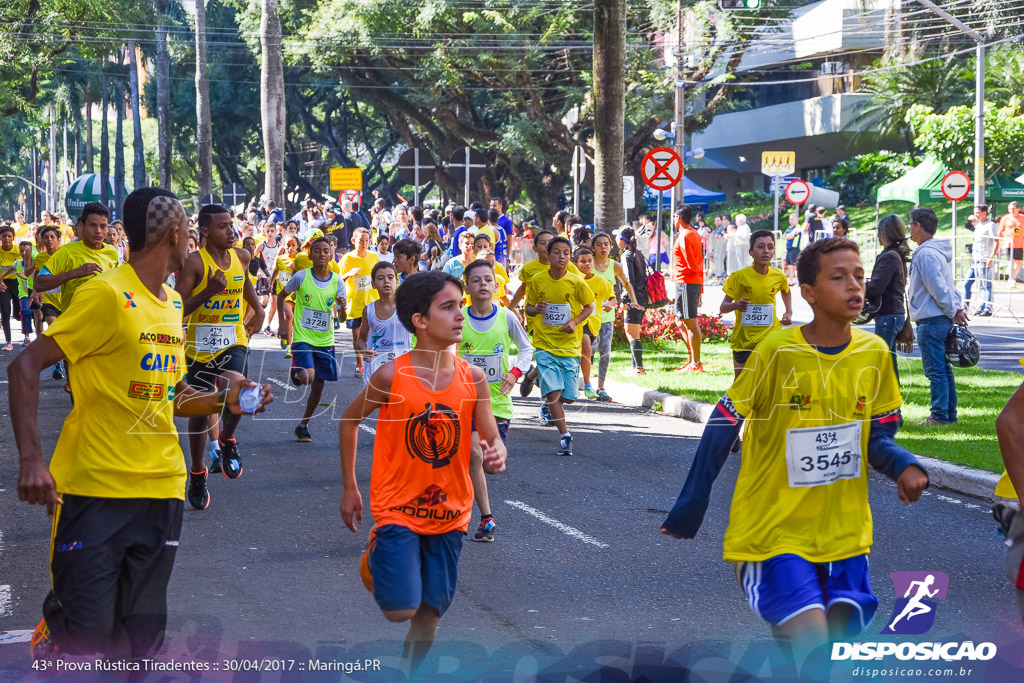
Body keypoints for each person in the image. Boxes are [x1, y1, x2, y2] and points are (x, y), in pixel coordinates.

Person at [10, 187, 272, 661]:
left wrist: (226, 397)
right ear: (175, 235)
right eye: (189, 231)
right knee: (88, 630)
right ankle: (59, 625)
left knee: (140, 641)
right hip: (95, 487)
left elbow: (171, 395)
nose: (191, 239)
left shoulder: (172, 304)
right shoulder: (106, 294)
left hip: (161, 488)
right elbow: (25, 366)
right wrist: (31, 460)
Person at [661, 237, 929, 676]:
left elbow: (876, 437)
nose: (854, 286)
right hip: (774, 533)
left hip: (844, 535)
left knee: (821, 655)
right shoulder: (777, 352)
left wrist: (903, 464)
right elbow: (723, 424)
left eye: (859, 276)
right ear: (808, 292)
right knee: (814, 647)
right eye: (838, 277)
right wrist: (691, 505)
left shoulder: (874, 354)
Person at [338, 271, 506, 679]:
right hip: (397, 507)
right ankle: (376, 557)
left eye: (459, 305)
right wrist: (350, 487)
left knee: (430, 612)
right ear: (420, 320)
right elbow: (349, 420)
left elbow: (489, 436)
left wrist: (496, 449)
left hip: (451, 511)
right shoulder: (391, 377)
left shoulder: (474, 379)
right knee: (400, 610)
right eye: (447, 307)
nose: (460, 314)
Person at [176, 204, 265, 510]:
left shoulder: (242, 256)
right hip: (200, 345)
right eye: (223, 227)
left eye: (231, 225)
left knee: (239, 389)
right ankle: (198, 471)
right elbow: (177, 309)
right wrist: (208, 291)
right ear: (204, 231)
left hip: (233, 339)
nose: (232, 231)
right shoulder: (193, 263)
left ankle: (227, 440)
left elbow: (244, 285)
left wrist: (260, 308)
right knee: (200, 411)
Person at [460, 259, 532, 541]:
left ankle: (470, 486)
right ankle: (486, 518)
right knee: (474, 454)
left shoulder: (507, 317)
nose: (483, 284)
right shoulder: (457, 318)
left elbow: (526, 348)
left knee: (489, 464)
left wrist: (515, 373)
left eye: (488, 279)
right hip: (464, 403)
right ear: (467, 286)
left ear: (496, 285)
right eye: (476, 280)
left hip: (497, 404)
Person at [525, 237, 595, 456]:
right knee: (554, 394)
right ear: (548, 253)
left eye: (566, 253)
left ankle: (533, 377)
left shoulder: (576, 282)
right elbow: (528, 308)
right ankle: (565, 436)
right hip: (545, 344)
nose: (562, 257)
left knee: (569, 398)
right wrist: (536, 309)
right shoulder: (537, 280)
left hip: (569, 347)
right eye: (557, 252)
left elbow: (589, 306)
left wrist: (574, 322)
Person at [907, 207, 968, 426]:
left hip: (932, 319)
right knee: (944, 369)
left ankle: (940, 415)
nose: (909, 229)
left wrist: (953, 311)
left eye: (911, 224)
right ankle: (949, 414)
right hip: (938, 317)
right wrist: (956, 309)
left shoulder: (925, 254)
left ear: (919, 226)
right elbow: (948, 286)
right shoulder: (937, 253)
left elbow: (938, 288)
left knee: (935, 370)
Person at [284, 237, 345, 443]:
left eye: (325, 251)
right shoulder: (301, 277)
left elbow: (342, 318)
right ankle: (297, 370)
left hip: (325, 339)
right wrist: (285, 323)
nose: (321, 254)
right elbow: (281, 294)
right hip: (302, 336)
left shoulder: (337, 281)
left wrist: (343, 307)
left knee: (318, 385)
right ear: (310, 255)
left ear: (331, 255)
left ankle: (303, 425)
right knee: (307, 377)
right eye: (317, 250)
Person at [720, 229, 793, 376]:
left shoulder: (779, 276)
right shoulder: (739, 277)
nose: (765, 251)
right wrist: (736, 305)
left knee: (769, 383)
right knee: (741, 385)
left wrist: (788, 311)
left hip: (770, 336)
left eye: (770, 247)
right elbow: (723, 307)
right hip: (745, 341)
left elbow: (786, 290)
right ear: (751, 252)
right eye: (760, 247)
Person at [589, 232, 643, 401]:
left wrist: (633, 300)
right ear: (593, 247)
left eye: (606, 244)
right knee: (589, 350)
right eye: (599, 244)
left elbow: (627, 283)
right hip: (588, 316)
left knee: (605, 350)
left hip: (606, 316)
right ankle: (585, 384)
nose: (603, 247)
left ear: (611, 247)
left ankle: (600, 387)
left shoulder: (615, 265)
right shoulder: (587, 264)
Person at [865, 214, 911, 378]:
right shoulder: (897, 254)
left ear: (886, 234)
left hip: (888, 314)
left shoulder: (889, 256)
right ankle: (893, 400)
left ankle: (889, 400)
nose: (878, 236)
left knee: (884, 363)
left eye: (879, 231)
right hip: (894, 313)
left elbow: (876, 287)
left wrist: (859, 288)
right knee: (889, 362)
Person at [357, 261, 412, 385]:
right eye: (381, 278)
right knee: (375, 404)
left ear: (397, 281)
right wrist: (363, 349)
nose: (386, 281)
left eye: (390, 277)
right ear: (373, 284)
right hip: (376, 369)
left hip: (402, 369)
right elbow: (361, 339)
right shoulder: (368, 310)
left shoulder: (408, 307)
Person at [572, 248, 615, 399]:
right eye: (582, 261)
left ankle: (586, 385)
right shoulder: (572, 279)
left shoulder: (600, 281)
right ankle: (585, 384)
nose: (587, 264)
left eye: (589, 261)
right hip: (574, 321)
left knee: (585, 350)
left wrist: (610, 304)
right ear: (575, 263)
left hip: (592, 323)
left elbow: (613, 297)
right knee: (583, 347)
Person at [340, 228, 380, 378]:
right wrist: (348, 274)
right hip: (355, 303)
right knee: (357, 335)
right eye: (360, 240)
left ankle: (373, 361)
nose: (364, 243)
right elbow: (338, 279)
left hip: (371, 301)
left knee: (372, 334)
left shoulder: (373, 257)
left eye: (366, 240)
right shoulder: (348, 258)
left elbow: (379, 275)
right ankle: (360, 364)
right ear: (353, 241)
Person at [672, 207, 706, 373]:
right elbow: (699, 263)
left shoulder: (685, 234)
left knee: (689, 321)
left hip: (686, 282)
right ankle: (692, 360)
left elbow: (693, 263)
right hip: (688, 282)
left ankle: (696, 363)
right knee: (680, 320)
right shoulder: (693, 233)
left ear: (678, 218)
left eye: (673, 217)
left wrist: (698, 287)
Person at [616, 227, 650, 374]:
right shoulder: (637, 254)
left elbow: (628, 281)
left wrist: (625, 299)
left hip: (634, 298)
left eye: (617, 237)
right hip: (642, 296)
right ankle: (634, 365)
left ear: (622, 240)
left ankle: (639, 367)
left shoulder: (627, 255)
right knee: (633, 332)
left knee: (632, 332)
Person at [963, 205, 998, 316]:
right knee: (967, 283)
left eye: (978, 212)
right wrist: (969, 219)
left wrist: (991, 257)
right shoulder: (978, 225)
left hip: (984, 258)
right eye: (975, 212)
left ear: (984, 213)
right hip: (975, 259)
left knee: (984, 285)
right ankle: (965, 306)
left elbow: (996, 241)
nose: (976, 215)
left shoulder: (990, 225)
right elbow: (967, 225)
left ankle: (986, 307)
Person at [1000, 201, 1024, 286]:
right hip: (1009, 244)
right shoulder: (1005, 218)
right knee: (1011, 261)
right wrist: (1009, 233)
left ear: (1018, 209)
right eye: (1009, 209)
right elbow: (1000, 231)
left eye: (1013, 209)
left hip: (1020, 244)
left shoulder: (1022, 218)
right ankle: (1011, 279)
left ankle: (1012, 277)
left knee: (1019, 262)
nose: (1011, 210)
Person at [782, 213, 805, 284]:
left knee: (795, 265)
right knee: (789, 265)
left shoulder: (798, 227)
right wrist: (787, 236)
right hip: (789, 249)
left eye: (792, 219)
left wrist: (788, 236)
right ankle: (791, 280)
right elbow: (783, 237)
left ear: (796, 220)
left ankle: (798, 280)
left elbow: (791, 236)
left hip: (795, 248)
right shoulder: (789, 228)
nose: (791, 221)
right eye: (790, 219)